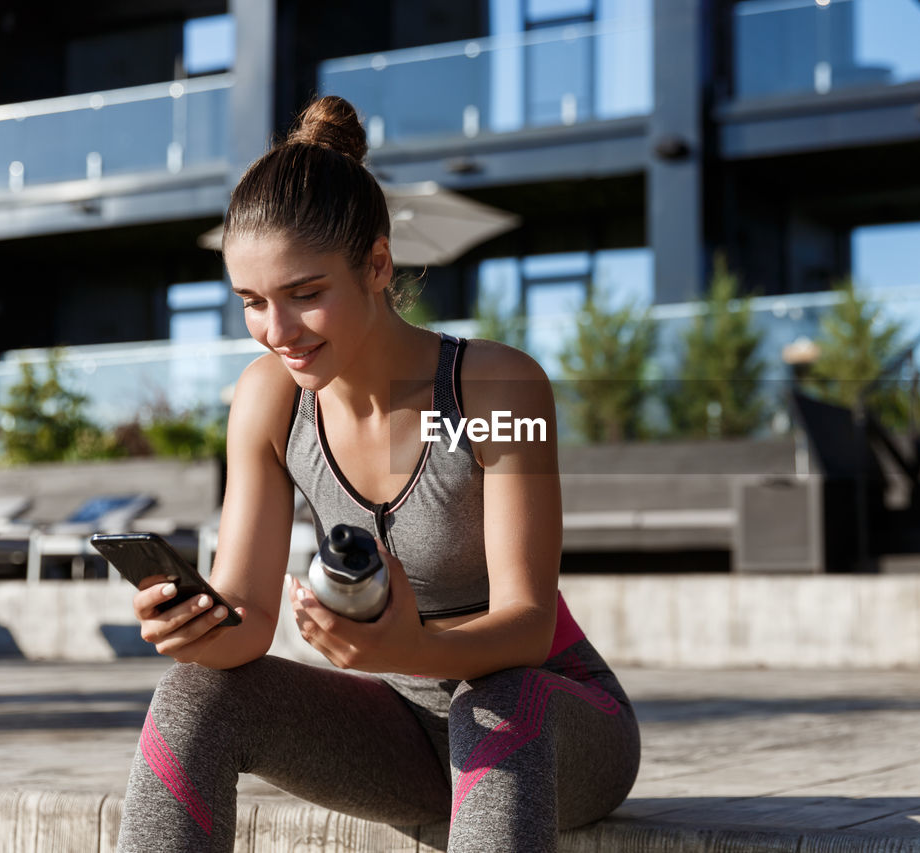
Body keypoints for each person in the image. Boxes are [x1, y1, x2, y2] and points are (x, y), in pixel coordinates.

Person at [116, 95, 640, 853]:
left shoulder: (496, 388)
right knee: (193, 696)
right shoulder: (268, 399)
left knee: (500, 700)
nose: (277, 331)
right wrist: (194, 628)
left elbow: (527, 625)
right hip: (402, 733)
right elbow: (249, 625)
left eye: (305, 295)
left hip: (557, 726)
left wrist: (403, 650)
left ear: (378, 266)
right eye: (253, 303)